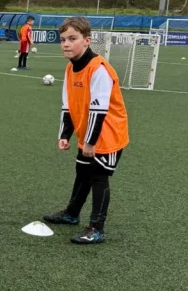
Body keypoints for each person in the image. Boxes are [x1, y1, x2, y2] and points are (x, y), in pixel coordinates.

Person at [43, 17, 129, 244]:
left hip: (108, 134)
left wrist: (90, 142)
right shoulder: (71, 67)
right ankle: (72, 214)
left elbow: (99, 110)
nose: (66, 44)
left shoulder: (98, 69)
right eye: (63, 39)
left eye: (72, 39)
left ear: (87, 41)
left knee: (98, 176)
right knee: (82, 171)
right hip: (88, 132)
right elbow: (68, 104)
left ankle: (97, 228)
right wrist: (64, 134)